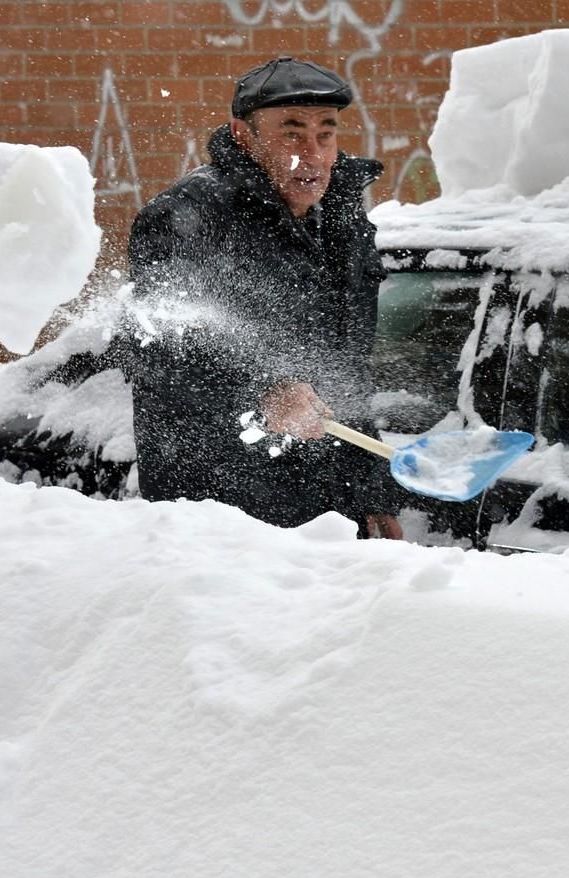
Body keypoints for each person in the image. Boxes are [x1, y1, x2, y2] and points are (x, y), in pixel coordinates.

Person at [124, 56, 403, 538]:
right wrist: (262, 389)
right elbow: (155, 348)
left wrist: (370, 490)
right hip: (223, 514)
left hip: (331, 514)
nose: (312, 154)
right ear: (242, 135)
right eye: (291, 133)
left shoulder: (342, 222)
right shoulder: (189, 218)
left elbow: (347, 367)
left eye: (325, 134)